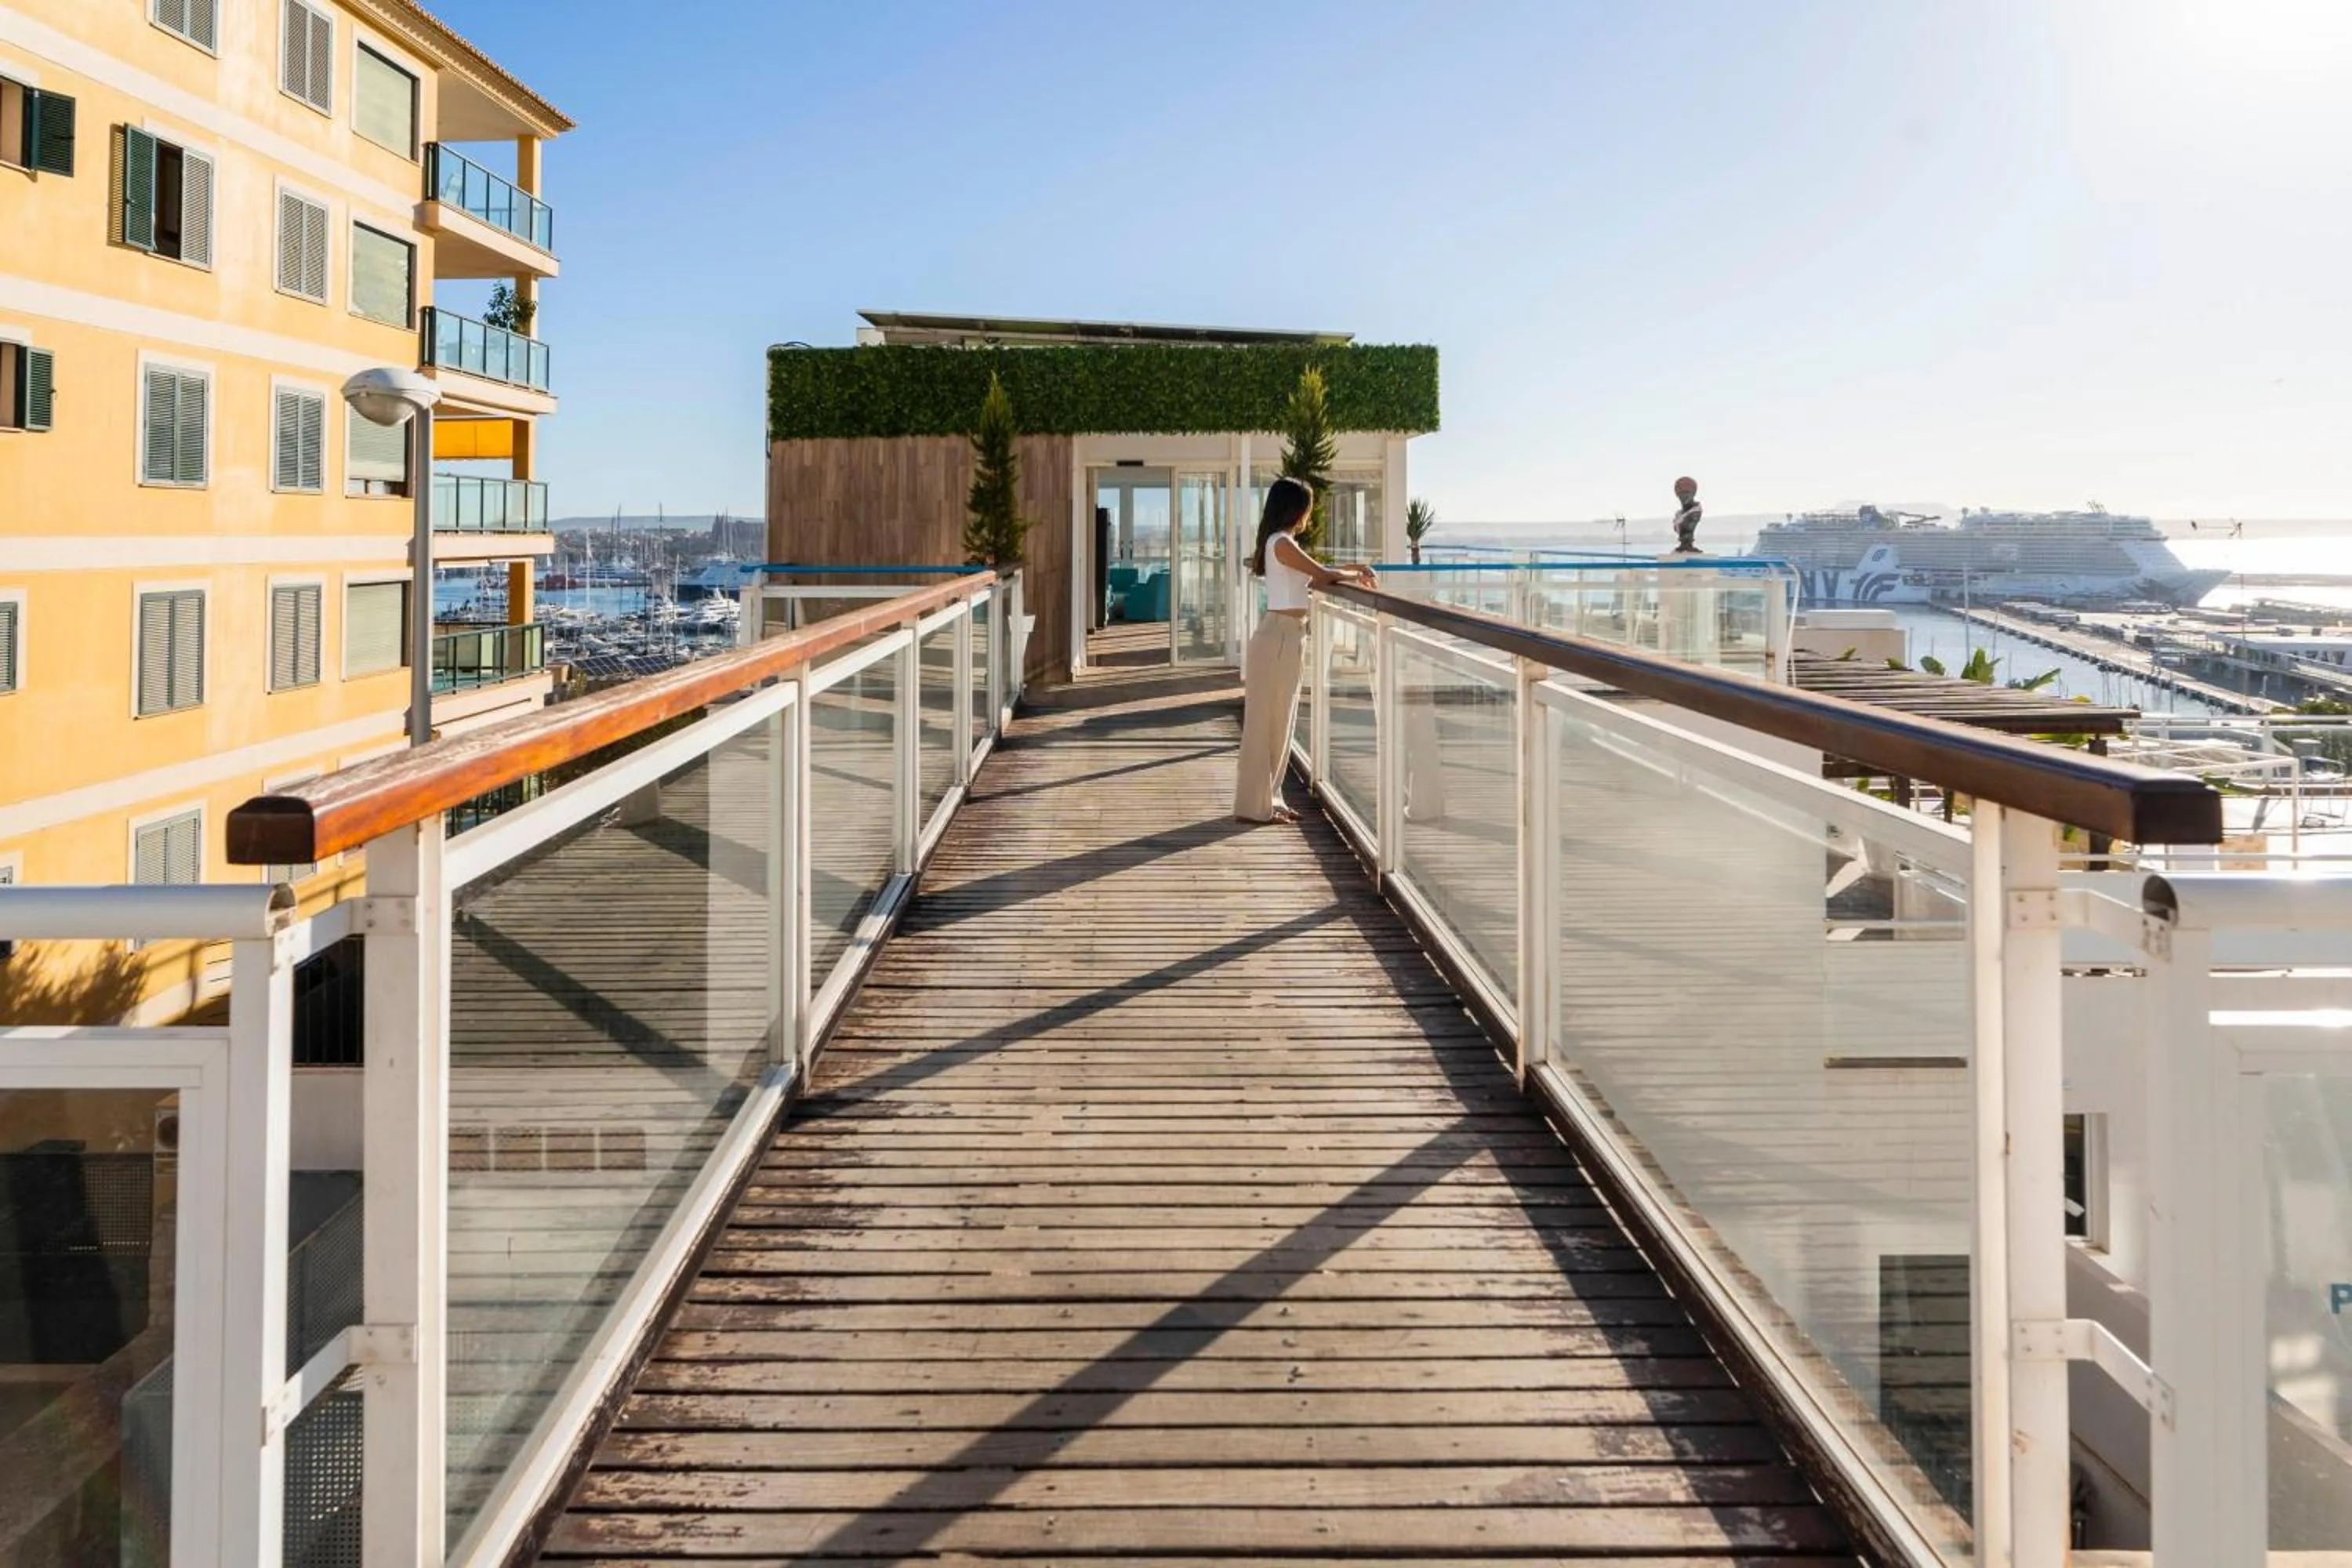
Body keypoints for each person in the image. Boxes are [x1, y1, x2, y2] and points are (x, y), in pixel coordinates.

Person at [1234, 477, 1374, 824]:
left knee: (1282, 722)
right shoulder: (1281, 543)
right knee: (1264, 724)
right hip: (1277, 639)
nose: (1309, 515)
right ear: (1296, 509)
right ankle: (1253, 807)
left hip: (1289, 636)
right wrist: (1356, 575)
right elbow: (1322, 574)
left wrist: (1353, 569)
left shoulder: (1283, 543)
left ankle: (1271, 799)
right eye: (1308, 508)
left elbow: (1311, 578)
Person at [1671, 476, 1703, 554]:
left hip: (1687, 549)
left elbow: (1687, 527)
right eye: (1680, 493)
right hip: (1681, 549)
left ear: (1694, 493)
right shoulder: (1678, 514)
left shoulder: (1695, 512)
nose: (1683, 496)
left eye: (1687, 492)